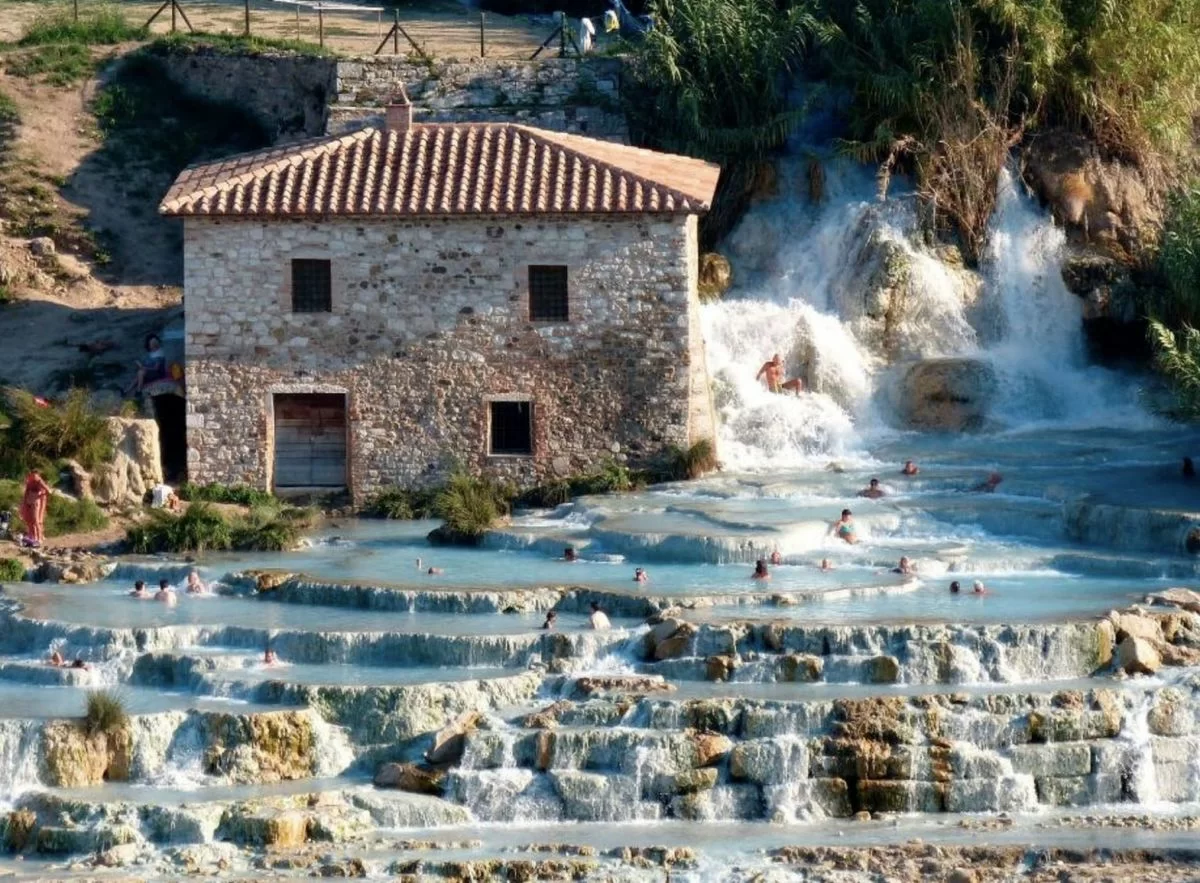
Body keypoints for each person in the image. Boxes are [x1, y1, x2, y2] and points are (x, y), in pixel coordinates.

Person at [19, 470, 50, 548]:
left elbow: (48, 491)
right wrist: (24, 502)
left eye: (35, 476)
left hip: (36, 502)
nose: (33, 477)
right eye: (32, 475)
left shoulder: (39, 482)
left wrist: (39, 494)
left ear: (38, 475)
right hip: (29, 501)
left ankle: (39, 537)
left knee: (36, 520)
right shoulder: (30, 481)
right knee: (29, 520)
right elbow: (26, 491)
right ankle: (32, 536)